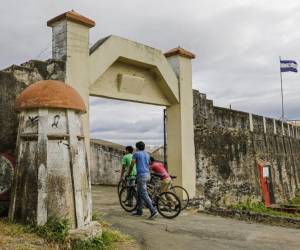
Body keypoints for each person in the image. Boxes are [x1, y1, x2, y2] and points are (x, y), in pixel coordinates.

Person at [128, 141, 158, 219]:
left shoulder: (136, 154)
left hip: (141, 176)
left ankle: (153, 211)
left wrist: (128, 173)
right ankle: (139, 211)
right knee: (139, 193)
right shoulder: (147, 154)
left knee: (144, 193)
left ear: (137, 147)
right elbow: (147, 164)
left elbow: (132, 165)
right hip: (148, 175)